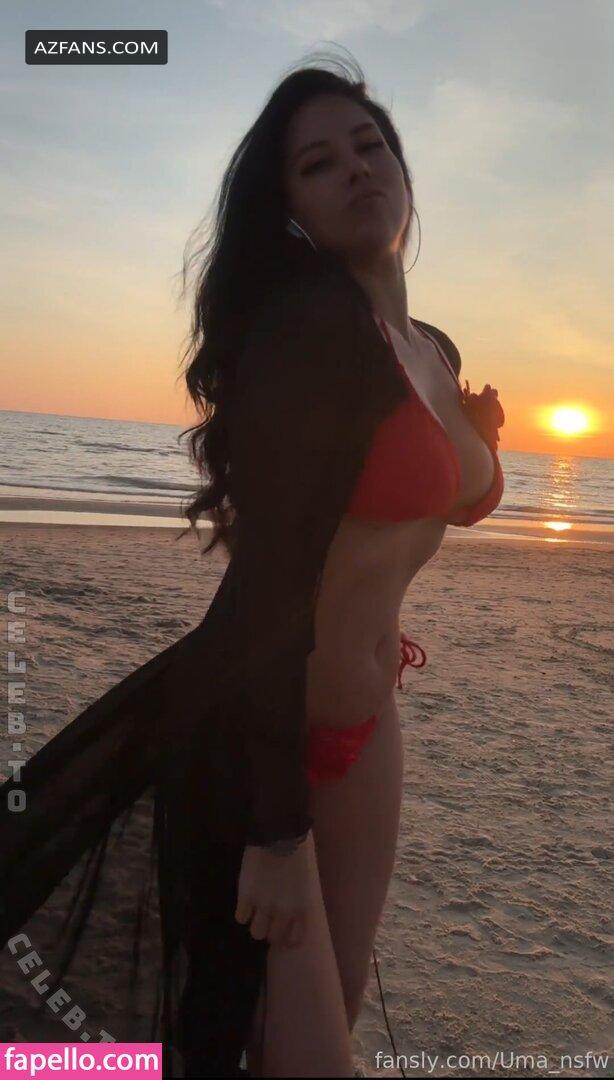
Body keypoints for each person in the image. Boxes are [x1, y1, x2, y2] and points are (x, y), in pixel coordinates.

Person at [0, 53, 505, 1078]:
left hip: (370, 723)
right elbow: (271, 583)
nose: (355, 168)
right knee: (287, 1050)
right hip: (255, 730)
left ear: (402, 167)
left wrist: (474, 440)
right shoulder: (309, 334)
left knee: (327, 1015)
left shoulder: (432, 349)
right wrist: (276, 836)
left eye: (369, 145)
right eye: (318, 164)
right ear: (291, 215)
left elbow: (412, 502)